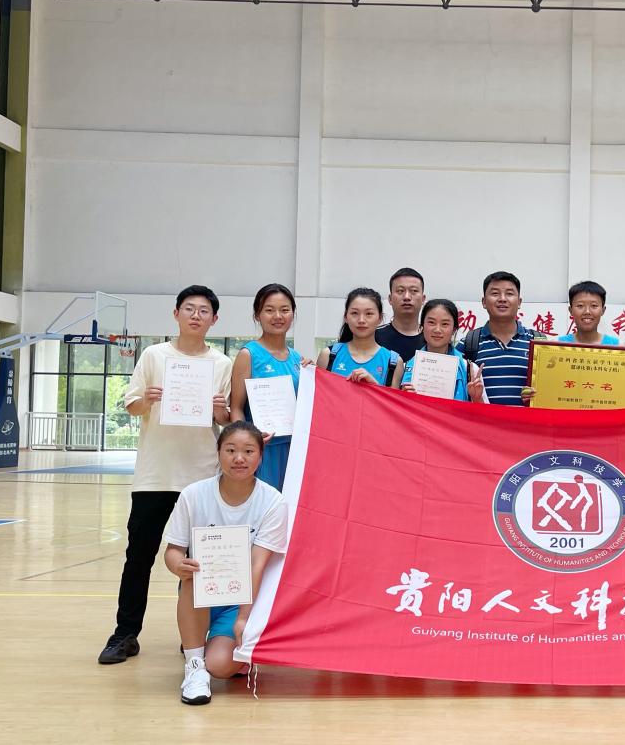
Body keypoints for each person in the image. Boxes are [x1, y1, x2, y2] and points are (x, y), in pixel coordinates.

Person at [98, 285, 232, 666]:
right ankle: (125, 634)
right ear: (176, 314)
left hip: (201, 476)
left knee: (197, 563)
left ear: (214, 319)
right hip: (155, 476)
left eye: (203, 311)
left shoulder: (222, 364)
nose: (195, 315)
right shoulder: (155, 356)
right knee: (138, 557)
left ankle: (193, 636)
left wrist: (219, 411)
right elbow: (132, 405)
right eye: (189, 308)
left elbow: (226, 420)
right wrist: (149, 399)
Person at [163, 422, 288, 706]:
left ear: (260, 456)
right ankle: (194, 667)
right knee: (193, 577)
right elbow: (173, 550)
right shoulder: (193, 494)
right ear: (218, 452)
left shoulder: (273, 502)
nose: (239, 458)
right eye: (230, 450)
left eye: (248, 451)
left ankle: (225, 651)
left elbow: (257, 565)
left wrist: (244, 617)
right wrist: (178, 565)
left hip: (243, 598)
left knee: (219, 666)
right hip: (202, 592)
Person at [228, 284, 302, 492]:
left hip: (294, 450)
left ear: (293, 314)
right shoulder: (248, 355)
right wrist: (249, 441)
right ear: (257, 315)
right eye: (269, 310)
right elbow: (236, 408)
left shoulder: (298, 359)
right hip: (262, 449)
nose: (278, 316)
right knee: (263, 506)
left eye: (284, 310)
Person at [459, 271, 543, 406]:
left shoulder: (539, 342)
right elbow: (455, 392)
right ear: (484, 302)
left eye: (509, 293)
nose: (502, 299)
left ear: (519, 302)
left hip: (525, 420)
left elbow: (551, 389)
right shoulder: (468, 343)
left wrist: (537, 396)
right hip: (482, 420)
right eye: (495, 293)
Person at [400, 299, 487, 402]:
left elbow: (483, 412)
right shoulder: (404, 368)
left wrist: (477, 398)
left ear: (454, 329)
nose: (437, 330)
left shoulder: (470, 370)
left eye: (445, 324)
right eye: (431, 322)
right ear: (422, 326)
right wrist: (404, 399)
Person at [317, 288, 404, 387]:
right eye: (355, 313)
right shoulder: (328, 356)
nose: (361, 320)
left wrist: (373, 385)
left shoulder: (394, 362)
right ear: (346, 317)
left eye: (369, 314)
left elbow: (391, 398)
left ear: (380, 318)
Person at [375, 268, 426, 362]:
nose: (407, 297)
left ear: (423, 299)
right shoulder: (373, 336)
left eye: (414, 291)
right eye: (400, 291)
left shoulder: (433, 338)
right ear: (390, 299)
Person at [558, 280, 620, 346]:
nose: (587, 311)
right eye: (580, 306)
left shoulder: (617, 346)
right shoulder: (557, 345)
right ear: (571, 310)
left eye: (594, 306)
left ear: (603, 310)